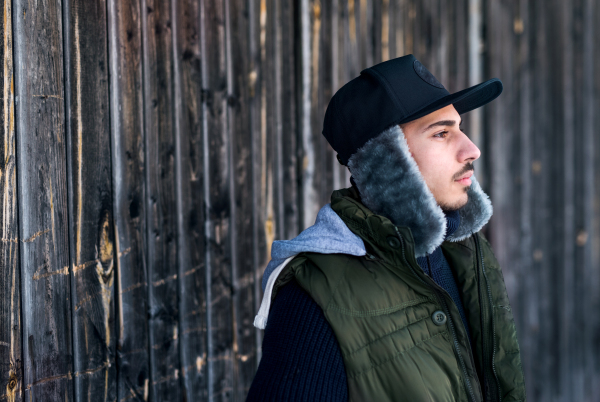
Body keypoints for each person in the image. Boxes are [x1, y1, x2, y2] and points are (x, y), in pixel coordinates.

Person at [247, 54, 526, 402]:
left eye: (460, 128)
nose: (472, 149)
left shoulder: (464, 253)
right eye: (441, 133)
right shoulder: (318, 297)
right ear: (387, 162)